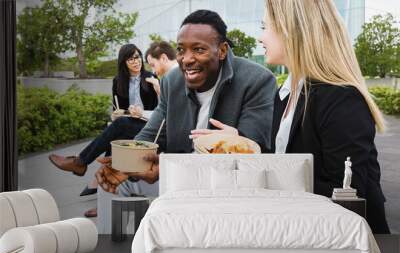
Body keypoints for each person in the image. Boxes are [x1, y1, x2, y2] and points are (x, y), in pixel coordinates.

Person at [95, 9, 277, 195]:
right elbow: (152, 134)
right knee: (113, 183)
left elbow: (254, 148)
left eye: (199, 49)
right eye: (181, 50)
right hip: (177, 174)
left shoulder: (257, 80)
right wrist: (125, 164)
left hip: (227, 184)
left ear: (221, 51)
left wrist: (231, 139)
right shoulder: (171, 81)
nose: (187, 59)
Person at [260, 0, 389, 233]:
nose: (261, 38)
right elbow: (287, 160)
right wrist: (248, 147)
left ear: (291, 30)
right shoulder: (286, 94)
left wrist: (272, 183)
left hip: (350, 247)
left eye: (264, 27)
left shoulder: (340, 98)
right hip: (308, 232)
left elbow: (348, 190)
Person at [48, 44, 159, 176]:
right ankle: (99, 176)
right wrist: (116, 115)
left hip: (148, 124)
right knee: (118, 131)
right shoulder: (118, 81)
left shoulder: (151, 79)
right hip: (129, 122)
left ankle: (80, 162)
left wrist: (154, 93)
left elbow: (159, 110)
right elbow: (118, 109)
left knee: (120, 126)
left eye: (137, 57)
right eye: (131, 59)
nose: (136, 61)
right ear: (124, 62)